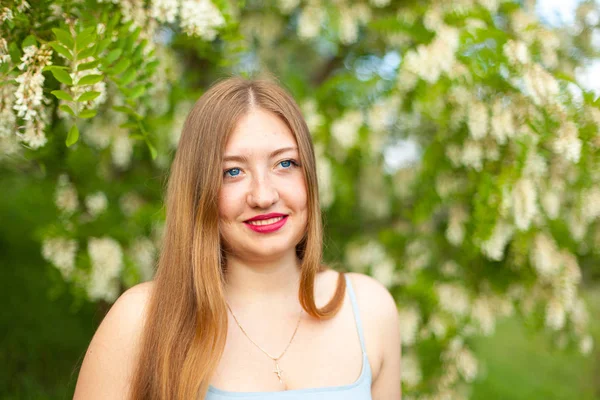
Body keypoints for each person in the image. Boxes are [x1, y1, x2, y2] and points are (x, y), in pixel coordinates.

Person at [73, 76, 401, 399]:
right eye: (233, 172)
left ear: (310, 177)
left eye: (285, 163)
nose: (263, 195)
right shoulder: (141, 320)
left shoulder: (370, 309)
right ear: (199, 191)